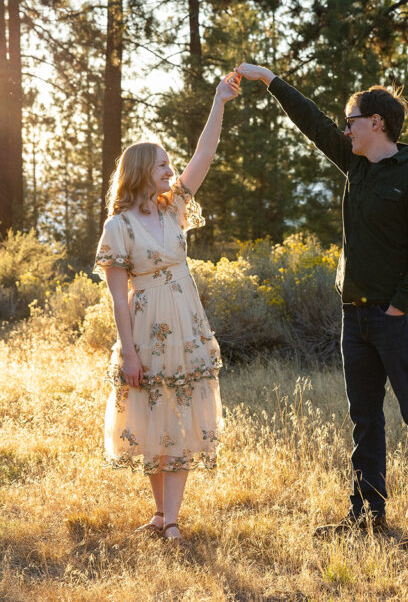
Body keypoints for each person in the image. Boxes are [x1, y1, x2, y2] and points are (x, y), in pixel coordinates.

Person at [236, 62, 408, 540]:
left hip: (396, 318)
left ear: (376, 122)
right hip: (352, 317)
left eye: (351, 118)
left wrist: (398, 306)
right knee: (364, 418)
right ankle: (366, 515)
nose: (344, 126)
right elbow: (310, 120)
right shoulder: (355, 164)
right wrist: (270, 80)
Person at [93, 72, 240, 545]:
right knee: (154, 417)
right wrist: (128, 352)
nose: (169, 170)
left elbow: (205, 155)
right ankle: (161, 515)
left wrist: (219, 101)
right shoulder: (118, 227)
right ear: (139, 171)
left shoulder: (174, 206)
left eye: (168, 164)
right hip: (146, 328)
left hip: (186, 324)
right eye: (160, 165)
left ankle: (171, 519)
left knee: (180, 415)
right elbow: (118, 296)